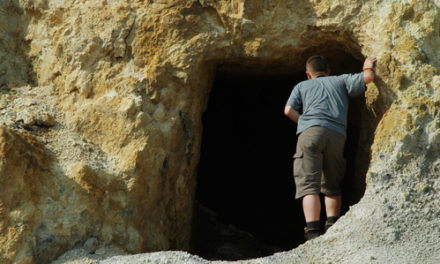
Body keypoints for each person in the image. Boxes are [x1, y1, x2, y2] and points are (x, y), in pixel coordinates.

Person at [284, 55, 377, 240]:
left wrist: (304, 122)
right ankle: (333, 226)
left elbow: (288, 110)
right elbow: (368, 78)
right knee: (332, 185)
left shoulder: (301, 86)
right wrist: (368, 65)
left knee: (309, 185)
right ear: (328, 71)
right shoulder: (340, 80)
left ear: (308, 74)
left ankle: (312, 232)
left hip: (310, 134)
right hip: (336, 134)